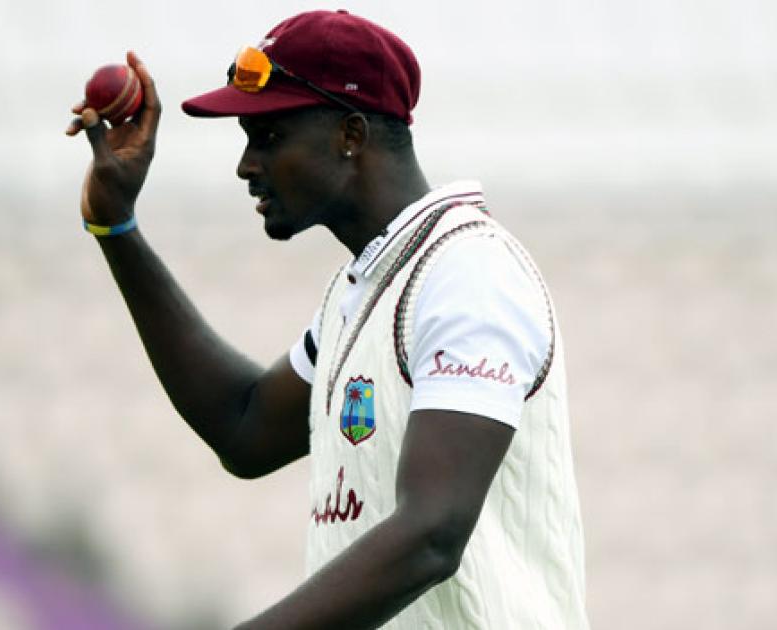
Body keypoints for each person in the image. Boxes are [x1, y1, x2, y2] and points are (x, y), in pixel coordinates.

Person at [66, 10, 589, 630]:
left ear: (350, 134)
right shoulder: (366, 287)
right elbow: (246, 427)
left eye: (268, 136)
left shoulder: (468, 271)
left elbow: (433, 532)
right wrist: (116, 227)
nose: (245, 165)